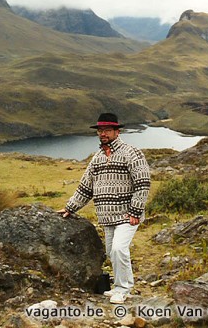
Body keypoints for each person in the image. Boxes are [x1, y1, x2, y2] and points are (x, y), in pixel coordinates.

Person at [58, 113, 151, 304]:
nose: (103, 134)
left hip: (127, 214)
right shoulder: (97, 158)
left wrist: (135, 211)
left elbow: (143, 183)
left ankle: (123, 290)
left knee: (118, 249)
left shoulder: (131, 152)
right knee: (112, 252)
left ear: (117, 131)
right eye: (100, 130)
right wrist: (70, 207)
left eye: (107, 130)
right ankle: (119, 286)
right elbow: (85, 187)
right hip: (107, 217)